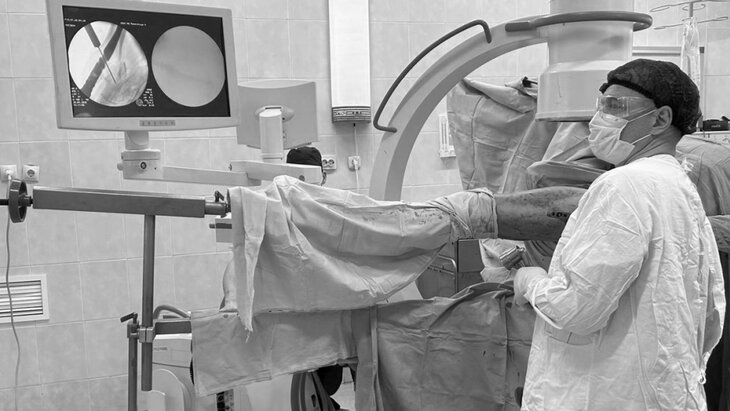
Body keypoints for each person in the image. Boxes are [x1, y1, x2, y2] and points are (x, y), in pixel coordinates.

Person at [512, 59, 725, 410]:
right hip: (665, 391)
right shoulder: (677, 184)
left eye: (615, 106)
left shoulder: (624, 184)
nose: (599, 119)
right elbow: (710, 312)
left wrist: (530, 281)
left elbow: (578, 309)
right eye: (601, 105)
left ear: (660, 119)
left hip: (609, 396)